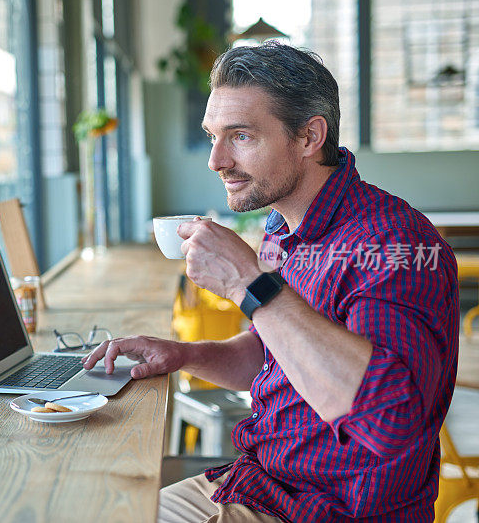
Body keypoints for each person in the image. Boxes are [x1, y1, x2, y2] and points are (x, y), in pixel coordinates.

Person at [82, 42, 458, 522]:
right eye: (213, 136)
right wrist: (185, 355)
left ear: (308, 137)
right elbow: (274, 352)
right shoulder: (283, 229)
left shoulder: (389, 244)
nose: (216, 160)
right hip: (260, 484)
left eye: (240, 136)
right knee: (101, 509)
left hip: (331, 510)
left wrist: (248, 282)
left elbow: (389, 422)